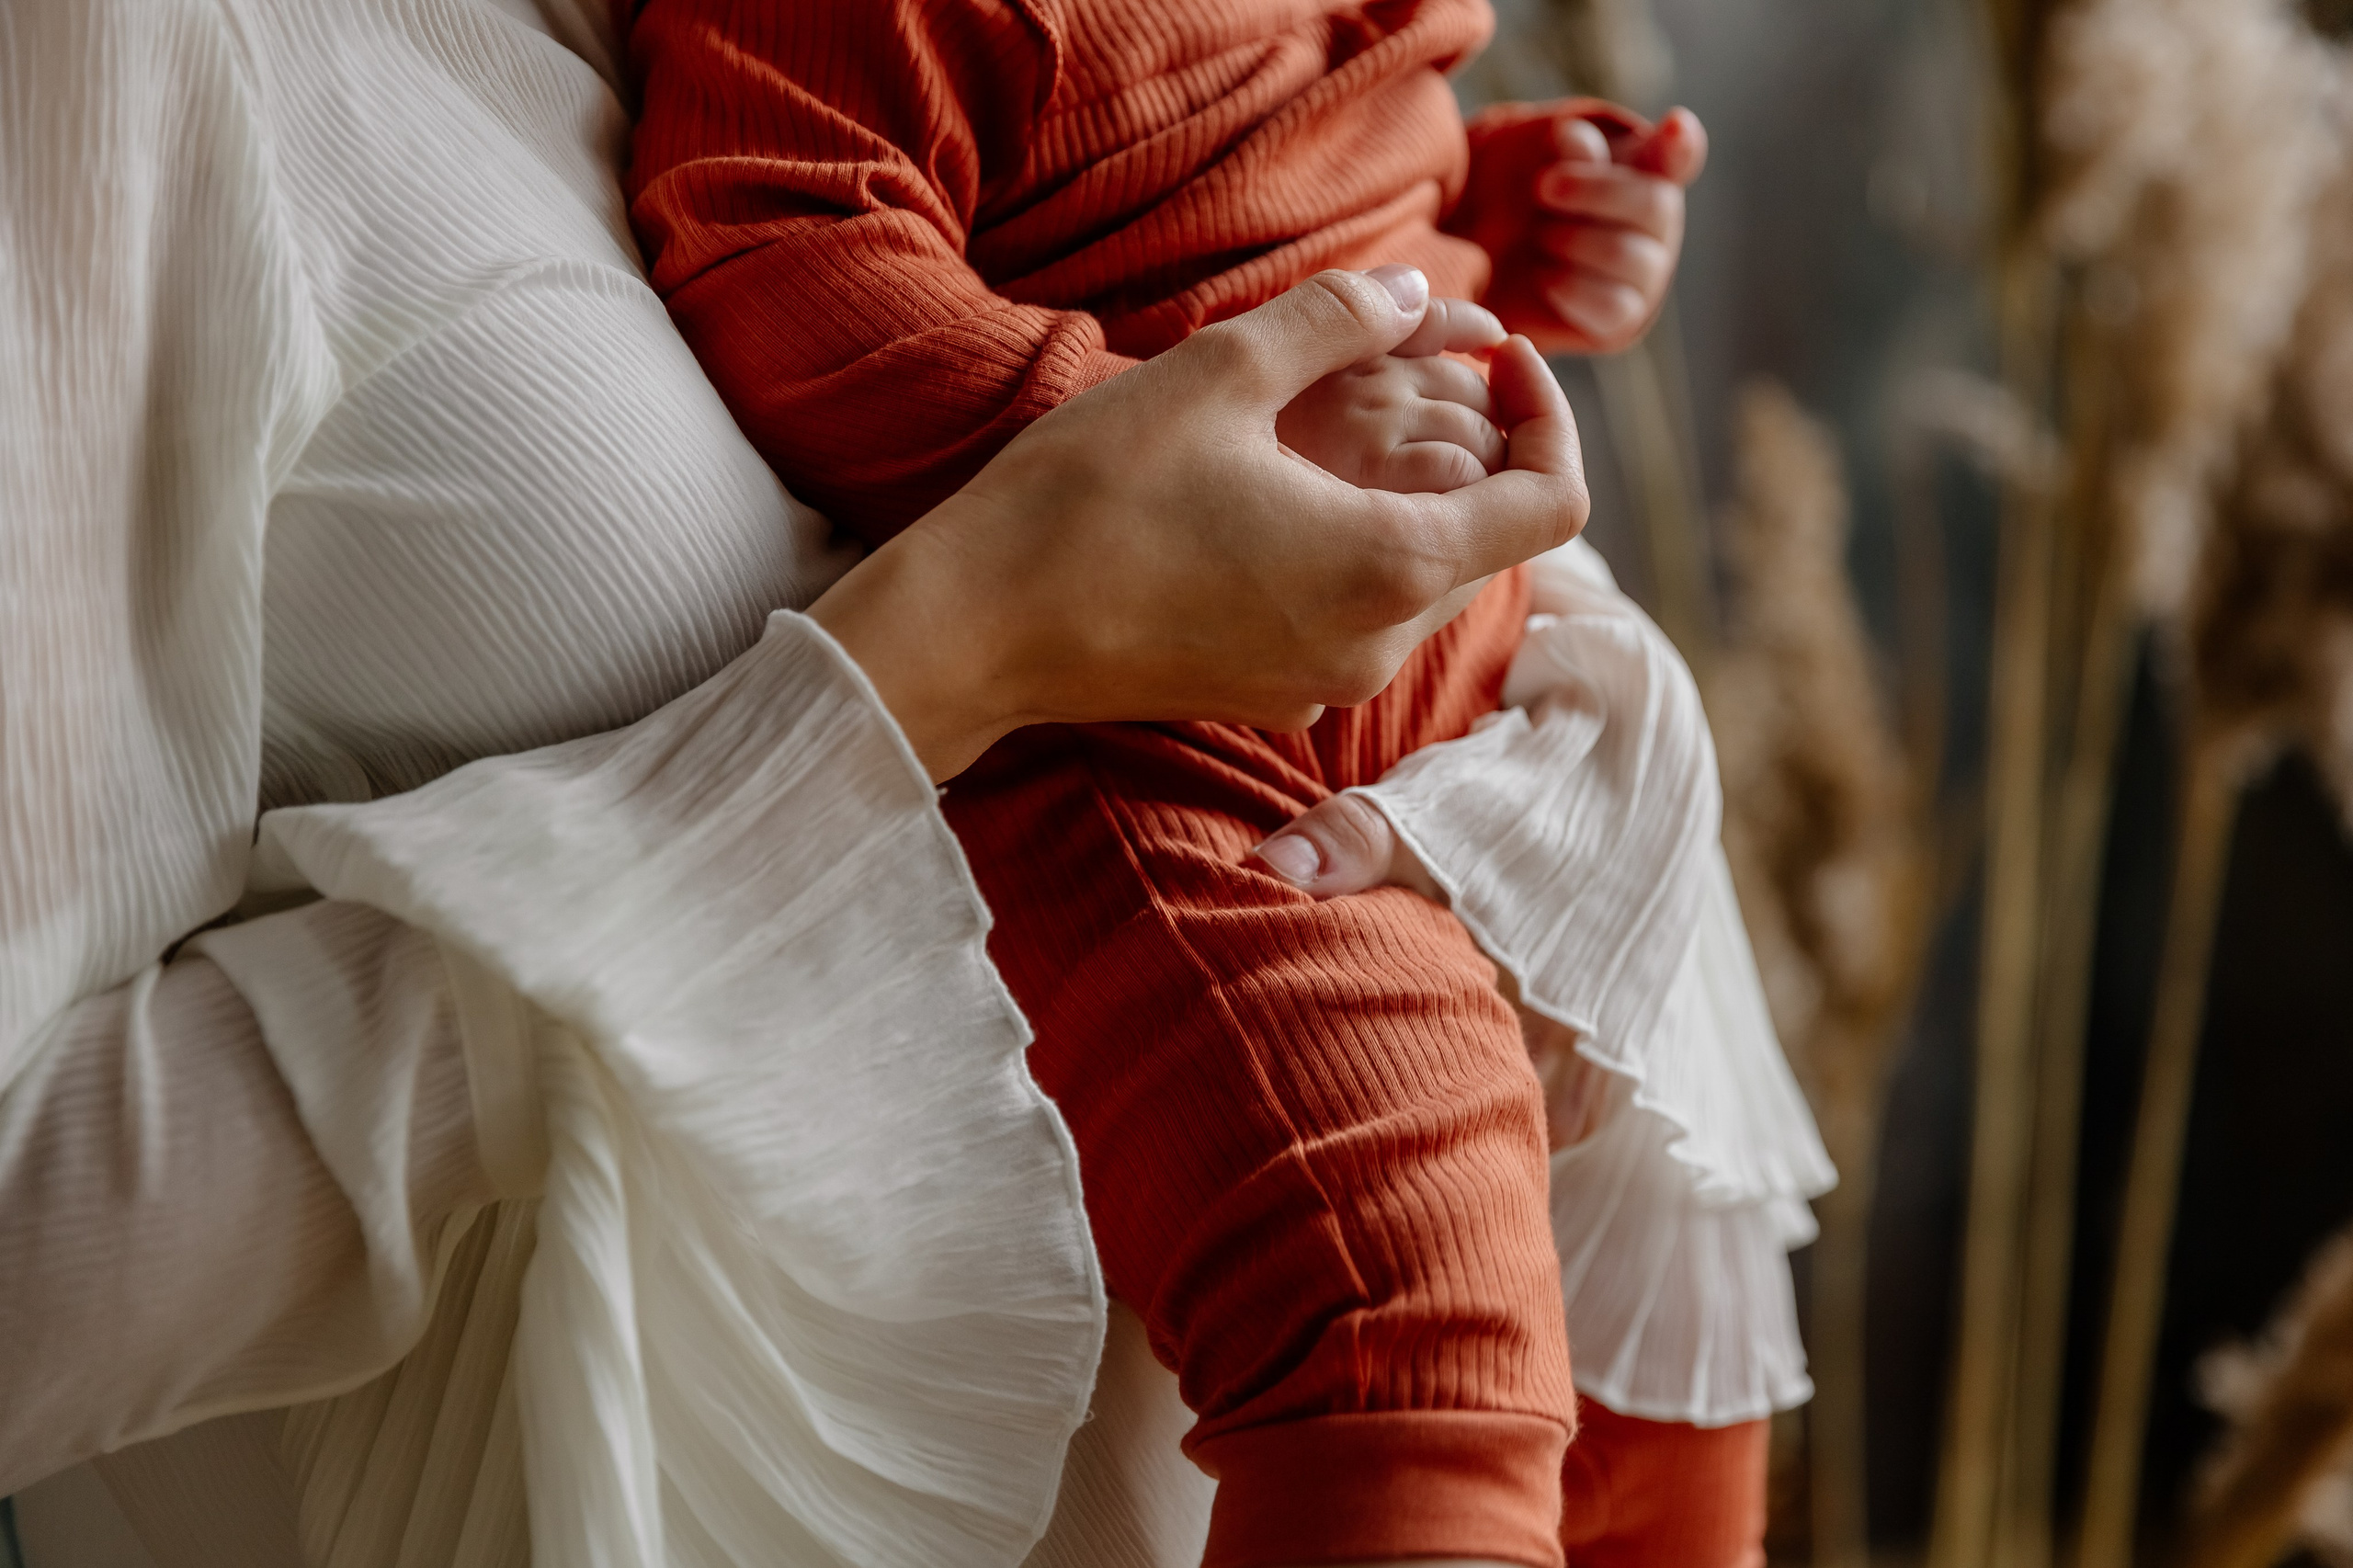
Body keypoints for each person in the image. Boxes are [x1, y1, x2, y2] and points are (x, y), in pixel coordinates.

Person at [1, 3, 1828, 1566]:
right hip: (1170, 835)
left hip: (1431, 856)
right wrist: (957, 660)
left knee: (1636, 1412)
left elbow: (1215, 185)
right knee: (1406, 1323)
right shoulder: (116, 61)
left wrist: (1487, 239)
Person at [622, 5, 1775, 1565]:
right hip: (1134, 727)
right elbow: (781, 232)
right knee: (1398, 1274)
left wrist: (1495, 216)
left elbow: (1261, 161)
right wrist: (1200, 437)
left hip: (1460, 701)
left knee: (1674, 1316)